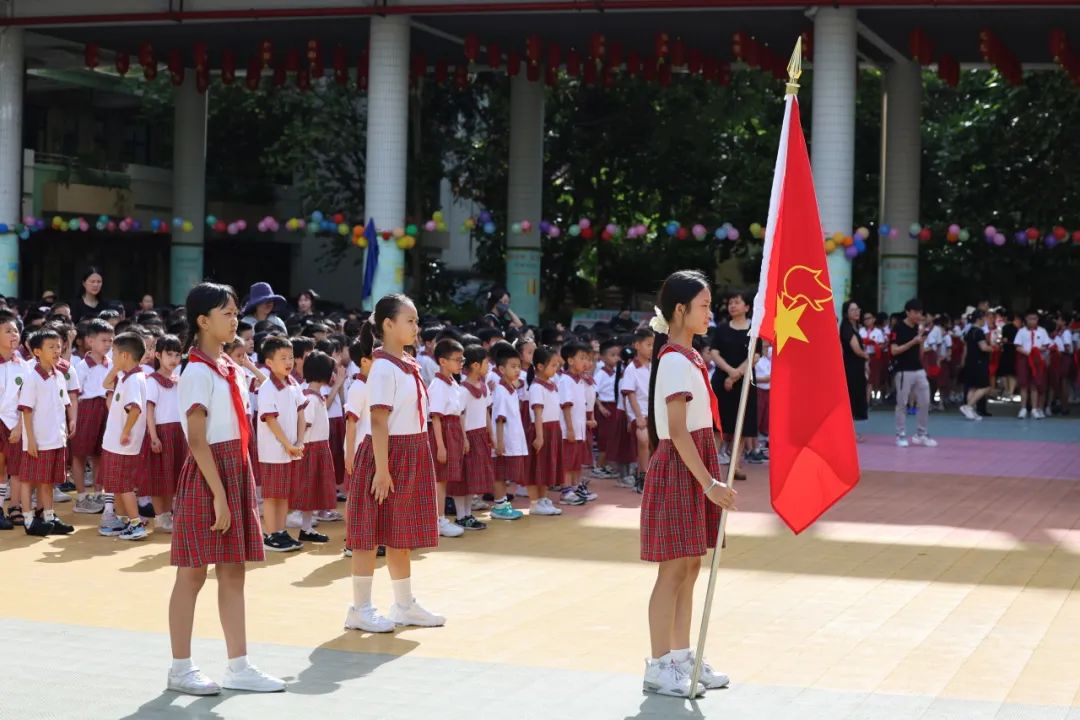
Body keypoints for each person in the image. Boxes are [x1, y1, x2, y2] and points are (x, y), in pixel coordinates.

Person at [168, 281, 285, 695]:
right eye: (227, 313)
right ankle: (180, 667)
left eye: (236, 312)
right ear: (203, 320)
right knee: (193, 572)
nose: (236, 319)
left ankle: (239, 665)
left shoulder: (230, 368)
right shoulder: (196, 370)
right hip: (208, 473)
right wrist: (218, 492)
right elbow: (197, 439)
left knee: (233, 570)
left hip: (234, 468)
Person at [640, 270, 735, 698]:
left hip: (693, 467)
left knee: (691, 565)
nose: (710, 313)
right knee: (673, 569)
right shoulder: (675, 361)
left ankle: (681, 657)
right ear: (681, 310)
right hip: (683, 470)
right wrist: (710, 483)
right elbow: (677, 432)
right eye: (704, 305)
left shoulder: (689, 358)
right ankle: (659, 665)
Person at [344, 294, 445, 632]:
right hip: (388, 454)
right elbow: (377, 421)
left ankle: (404, 605)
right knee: (369, 534)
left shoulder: (406, 363)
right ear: (388, 325)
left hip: (412, 450)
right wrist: (383, 470)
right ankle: (359, 608)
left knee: (401, 534)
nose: (417, 327)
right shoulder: (385, 367)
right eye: (410, 321)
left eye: (416, 321)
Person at [16, 328, 75, 536]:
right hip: (38, 439)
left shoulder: (59, 374)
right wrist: (30, 440)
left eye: (59, 346)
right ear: (37, 351)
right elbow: (26, 410)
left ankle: (49, 516)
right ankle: (29, 520)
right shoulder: (32, 378)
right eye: (51, 347)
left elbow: (63, 403)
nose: (57, 350)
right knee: (28, 479)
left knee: (47, 480)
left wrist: (69, 424)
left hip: (56, 439)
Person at [97, 332, 150, 540]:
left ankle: (136, 523)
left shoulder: (134, 380)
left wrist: (126, 432)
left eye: (115, 353)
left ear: (126, 355)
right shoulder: (126, 377)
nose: (112, 357)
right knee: (118, 484)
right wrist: (117, 366)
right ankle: (125, 519)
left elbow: (135, 409)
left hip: (123, 443)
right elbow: (105, 384)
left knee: (125, 484)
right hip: (116, 443)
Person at [256, 335, 306, 551]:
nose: (289, 362)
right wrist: (287, 443)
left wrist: (300, 441)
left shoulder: (293, 384)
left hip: (290, 448)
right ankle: (271, 534)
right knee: (271, 494)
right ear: (269, 363)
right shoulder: (267, 388)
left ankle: (282, 532)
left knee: (284, 492)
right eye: (283, 358)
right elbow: (270, 419)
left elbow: (301, 413)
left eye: (291, 357)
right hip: (272, 450)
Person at [710, 291, 762, 477]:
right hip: (721, 381)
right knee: (719, 425)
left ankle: (735, 465)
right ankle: (712, 465)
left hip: (744, 382)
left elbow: (755, 355)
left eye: (737, 302)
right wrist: (729, 372)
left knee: (742, 424)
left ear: (747, 307)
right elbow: (714, 353)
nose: (733, 305)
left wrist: (736, 374)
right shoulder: (721, 329)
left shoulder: (754, 330)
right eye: (730, 302)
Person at [71, 319, 115, 514]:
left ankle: (98, 492)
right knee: (79, 453)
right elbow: (74, 394)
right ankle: (81, 496)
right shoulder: (81, 367)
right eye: (103, 340)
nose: (108, 344)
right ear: (90, 341)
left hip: (106, 407)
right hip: (86, 409)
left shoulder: (112, 364)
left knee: (100, 453)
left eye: (110, 340)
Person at [292, 350, 335, 544]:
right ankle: (305, 527)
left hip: (317, 447)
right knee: (309, 490)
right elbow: (305, 424)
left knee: (313, 490)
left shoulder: (316, 396)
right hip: (311, 449)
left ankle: (307, 527)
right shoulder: (310, 398)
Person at [427, 338, 467, 539]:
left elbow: (457, 413)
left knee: (444, 478)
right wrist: (440, 446)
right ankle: (437, 519)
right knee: (439, 479)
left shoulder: (453, 382)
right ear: (443, 361)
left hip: (453, 430)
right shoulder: (438, 385)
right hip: (441, 432)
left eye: (462, 359)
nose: (461, 363)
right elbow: (435, 417)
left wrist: (463, 438)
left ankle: (439, 517)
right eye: (457, 359)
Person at [146, 335, 185, 534]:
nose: (173, 359)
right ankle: (160, 517)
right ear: (158, 355)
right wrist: (153, 436)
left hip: (178, 431)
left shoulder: (178, 381)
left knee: (173, 475)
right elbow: (150, 410)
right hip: (162, 432)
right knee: (159, 475)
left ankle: (169, 514)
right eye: (169, 354)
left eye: (177, 355)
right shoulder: (152, 381)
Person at [457, 344, 495, 529]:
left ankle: (468, 513)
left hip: (480, 435)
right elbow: (460, 415)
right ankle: (460, 515)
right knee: (463, 477)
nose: (488, 366)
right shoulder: (463, 390)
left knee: (473, 477)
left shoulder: (484, 387)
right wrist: (463, 438)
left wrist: (491, 432)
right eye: (486, 362)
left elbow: (487, 411)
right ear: (475, 365)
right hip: (468, 436)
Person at [891, 299, 938, 447]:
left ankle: (921, 434)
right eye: (916, 312)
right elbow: (894, 350)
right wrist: (913, 341)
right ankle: (900, 434)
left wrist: (921, 340)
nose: (919, 315)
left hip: (918, 368)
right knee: (902, 403)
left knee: (925, 401)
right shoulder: (898, 328)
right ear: (908, 312)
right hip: (903, 370)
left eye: (920, 313)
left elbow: (921, 353)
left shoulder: (918, 328)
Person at [489, 342, 526, 521]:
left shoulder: (511, 389)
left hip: (512, 438)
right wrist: (500, 442)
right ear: (501, 369)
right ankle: (499, 505)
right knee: (500, 474)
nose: (517, 370)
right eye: (513, 367)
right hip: (504, 440)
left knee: (504, 474)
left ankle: (502, 502)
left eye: (519, 366)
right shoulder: (501, 391)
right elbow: (500, 418)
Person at [526, 345, 564, 516]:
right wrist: (540, 436)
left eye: (557, 365)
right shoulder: (536, 387)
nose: (556, 369)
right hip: (541, 430)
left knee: (548, 465)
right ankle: (534, 503)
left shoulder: (551, 384)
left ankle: (543, 498)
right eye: (553, 365)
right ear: (540, 367)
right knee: (536, 467)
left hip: (553, 428)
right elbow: (538, 413)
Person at [0, 310, 25, 530]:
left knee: (16, 467)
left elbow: (27, 399)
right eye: (8, 331)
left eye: (16, 330)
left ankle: (15, 506)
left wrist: (19, 425)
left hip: (16, 422)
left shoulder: (23, 365)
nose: (14, 335)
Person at [622, 328, 655, 491]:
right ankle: (642, 476)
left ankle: (650, 475)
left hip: (654, 411)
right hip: (639, 411)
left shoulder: (654, 366)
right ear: (637, 345)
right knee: (643, 440)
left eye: (653, 345)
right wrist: (638, 416)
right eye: (648, 344)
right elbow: (630, 393)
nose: (652, 348)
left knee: (653, 444)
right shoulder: (631, 368)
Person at [840, 301, 870, 439]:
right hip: (851, 368)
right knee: (850, 399)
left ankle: (850, 431)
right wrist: (866, 355)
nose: (856, 312)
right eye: (852, 310)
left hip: (856, 367)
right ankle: (849, 433)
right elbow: (856, 350)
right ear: (846, 313)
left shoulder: (854, 327)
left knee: (853, 398)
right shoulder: (846, 328)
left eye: (857, 309)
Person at [1014, 309, 1051, 419]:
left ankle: (1035, 409)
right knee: (1024, 384)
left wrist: (1038, 350)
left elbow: (1046, 346)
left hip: (1037, 361)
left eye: (1034, 319)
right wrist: (1027, 352)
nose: (1032, 321)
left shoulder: (1042, 331)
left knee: (1035, 384)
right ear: (1026, 319)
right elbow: (1017, 346)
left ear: (1037, 319)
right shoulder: (1021, 331)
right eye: (1030, 319)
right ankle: (1023, 408)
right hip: (1024, 360)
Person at [959, 310, 993, 421]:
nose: (986, 321)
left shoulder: (968, 331)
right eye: (985, 319)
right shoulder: (978, 331)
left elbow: (966, 348)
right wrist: (992, 348)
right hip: (979, 362)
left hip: (970, 361)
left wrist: (963, 360)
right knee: (985, 386)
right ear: (979, 319)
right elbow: (983, 347)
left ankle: (970, 410)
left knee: (973, 387)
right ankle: (968, 406)